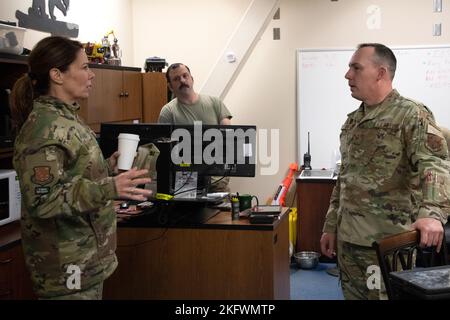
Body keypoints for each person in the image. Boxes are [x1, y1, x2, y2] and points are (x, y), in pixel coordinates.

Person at [10, 36, 152, 300]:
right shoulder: (43, 129)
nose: (92, 74)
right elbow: (43, 200)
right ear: (57, 75)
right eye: (84, 67)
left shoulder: (67, 118)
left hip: (85, 261)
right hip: (66, 267)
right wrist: (109, 187)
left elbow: (72, 176)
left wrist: (108, 169)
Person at [320, 43, 450, 300]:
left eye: (356, 68)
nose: (348, 75)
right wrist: (330, 225)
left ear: (380, 73)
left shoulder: (411, 115)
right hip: (349, 242)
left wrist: (433, 214)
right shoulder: (352, 122)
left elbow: (434, 164)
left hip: (386, 245)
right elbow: (344, 179)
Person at [158, 63, 232, 192]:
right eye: (176, 79)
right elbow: (163, 150)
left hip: (217, 183)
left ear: (192, 79)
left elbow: (228, 137)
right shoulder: (168, 112)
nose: (182, 80)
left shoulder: (215, 102)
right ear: (170, 86)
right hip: (186, 184)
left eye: (185, 76)